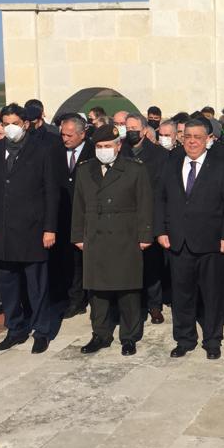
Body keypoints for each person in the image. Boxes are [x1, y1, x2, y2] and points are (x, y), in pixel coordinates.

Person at [155, 118, 224, 359]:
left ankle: (213, 340)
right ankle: (185, 338)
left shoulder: (222, 166)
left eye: (198, 137)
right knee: (182, 295)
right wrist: (161, 231)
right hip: (179, 242)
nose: (192, 141)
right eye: (188, 136)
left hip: (212, 242)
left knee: (213, 296)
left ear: (208, 140)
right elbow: (160, 199)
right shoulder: (171, 164)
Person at [0, 103, 62, 354]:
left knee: (36, 283)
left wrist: (50, 228)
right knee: (7, 284)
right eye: (5, 124)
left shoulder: (43, 150)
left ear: (26, 124)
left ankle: (41, 330)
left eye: (15, 123)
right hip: (2, 229)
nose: (10, 128)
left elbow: (51, 192)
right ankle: (15, 328)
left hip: (32, 228)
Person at [72, 125, 153, 355]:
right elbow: (78, 206)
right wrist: (77, 235)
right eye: (99, 146)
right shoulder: (85, 170)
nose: (103, 150)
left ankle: (129, 336)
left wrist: (145, 234)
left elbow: (145, 204)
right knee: (97, 291)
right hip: (95, 237)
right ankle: (100, 334)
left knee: (128, 290)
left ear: (118, 146)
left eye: (108, 146)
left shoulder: (134, 169)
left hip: (125, 236)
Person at [121, 113, 168, 324]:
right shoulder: (119, 151)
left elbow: (161, 190)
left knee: (151, 264)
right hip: (124, 217)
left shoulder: (158, 155)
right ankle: (131, 305)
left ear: (144, 130)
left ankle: (154, 305)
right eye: (126, 127)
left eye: (133, 128)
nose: (130, 131)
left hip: (148, 215)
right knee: (128, 265)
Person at [59, 116, 95, 318]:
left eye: (69, 135)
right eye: (63, 134)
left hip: (86, 214)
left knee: (85, 260)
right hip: (64, 214)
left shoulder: (93, 152)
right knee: (69, 261)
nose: (65, 138)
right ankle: (75, 298)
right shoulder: (56, 151)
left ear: (82, 134)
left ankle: (87, 296)